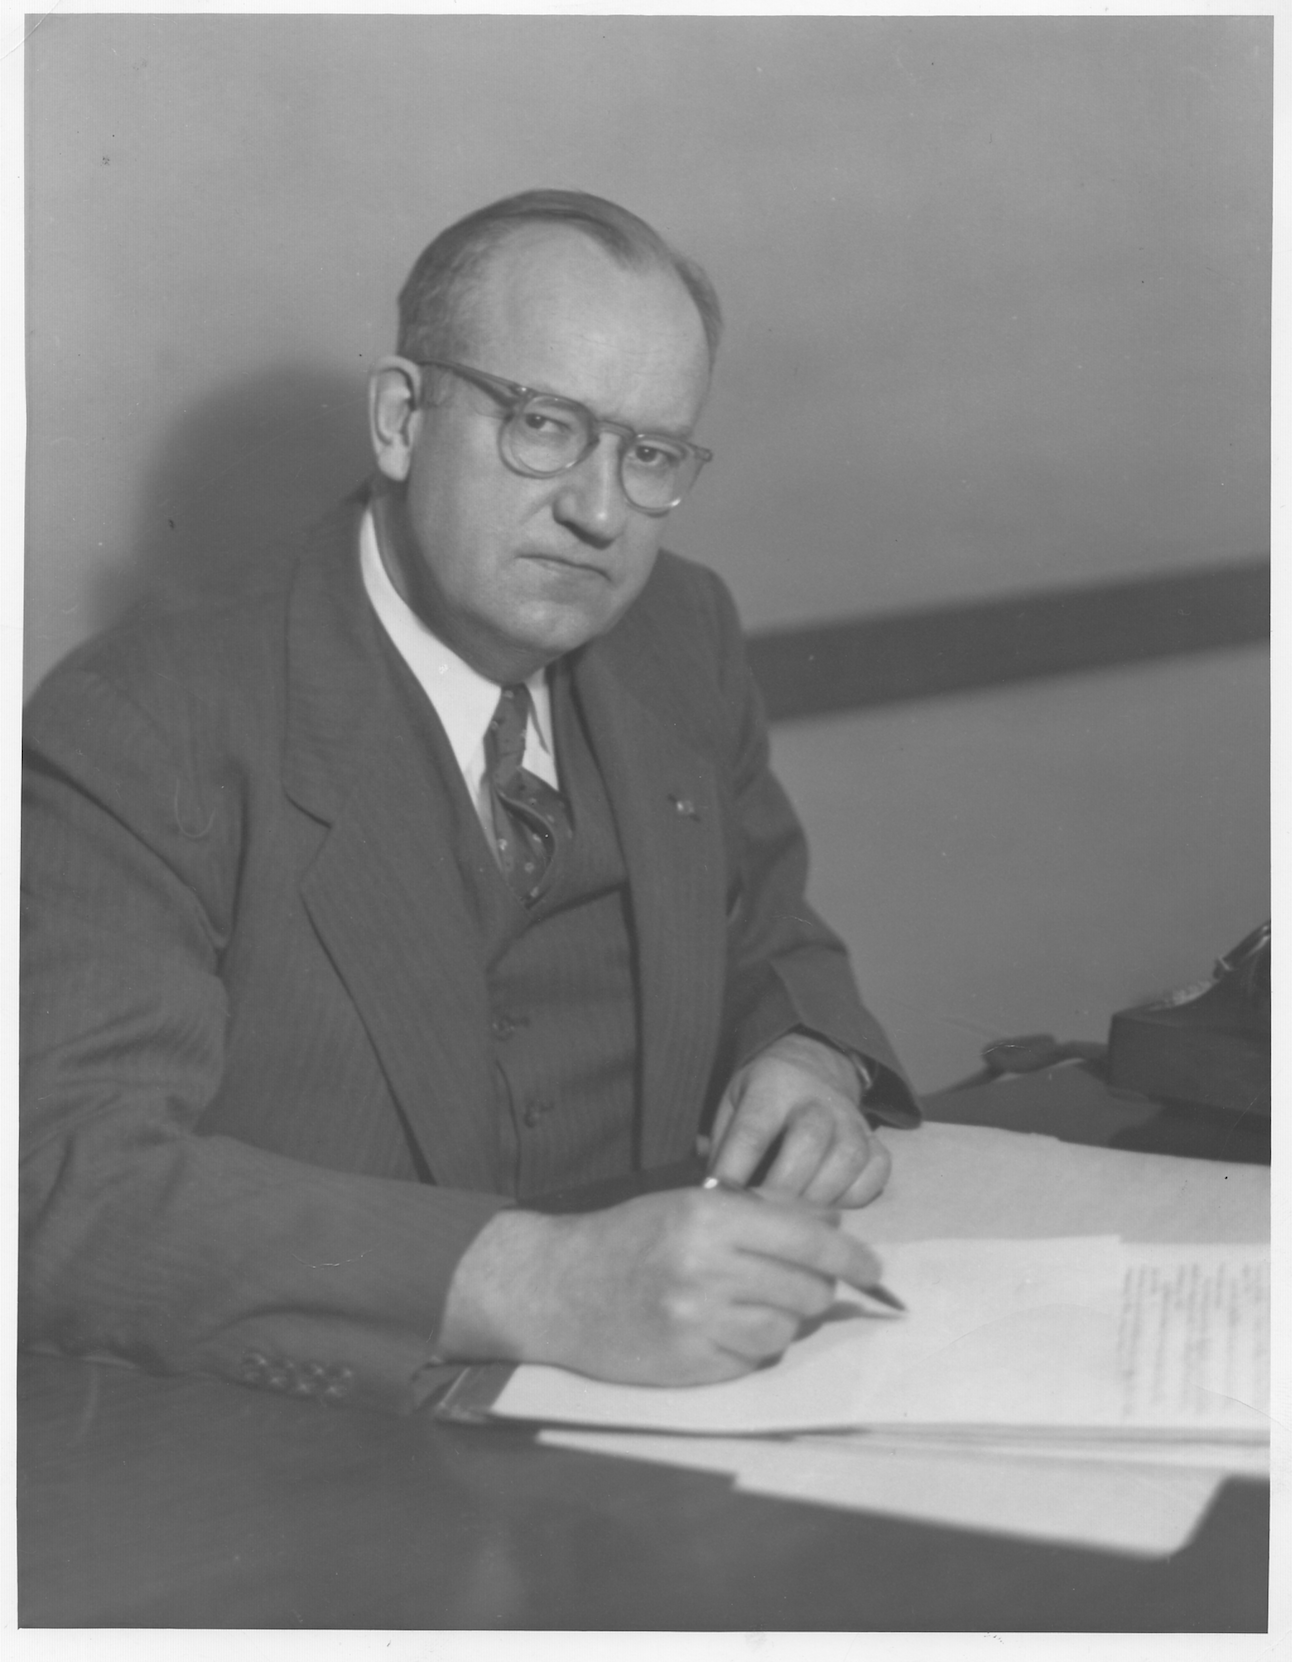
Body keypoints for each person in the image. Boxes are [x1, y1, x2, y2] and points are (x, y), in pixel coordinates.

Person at [21, 190, 919, 1414]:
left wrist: (805, 1056)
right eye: (544, 425)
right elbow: (66, 1182)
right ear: (400, 420)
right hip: (310, 1441)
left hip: (677, 1406)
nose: (598, 511)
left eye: (650, 454)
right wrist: (535, 1282)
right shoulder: (148, 716)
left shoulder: (680, 632)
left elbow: (766, 933)